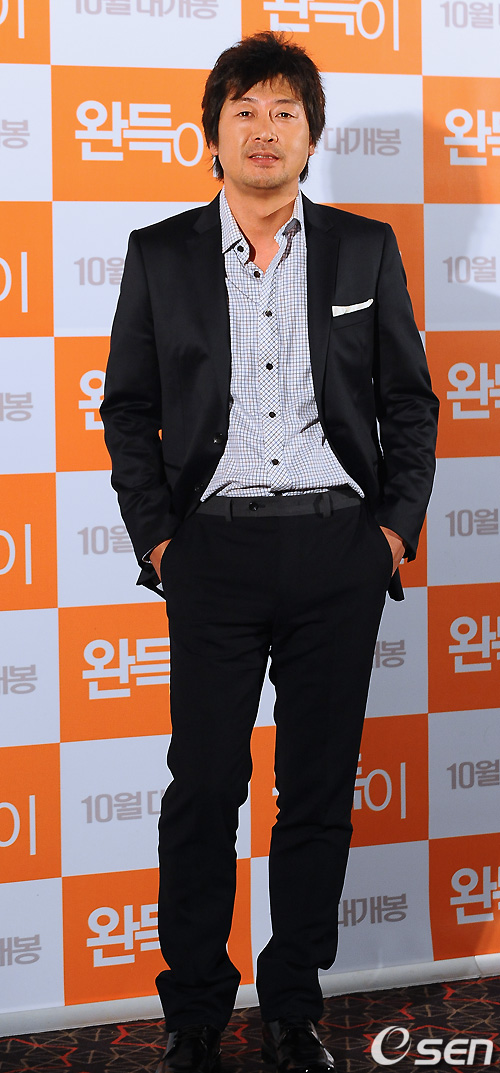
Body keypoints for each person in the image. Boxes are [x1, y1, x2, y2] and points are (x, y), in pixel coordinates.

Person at [101, 30, 438, 1073]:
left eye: (284, 111)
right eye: (244, 109)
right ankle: (196, 1008)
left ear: (309, 135)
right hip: (212, 551)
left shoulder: (362, 248)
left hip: (337, 549)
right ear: (211, 134)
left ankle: (293, 1004)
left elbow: (409, 400)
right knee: (204, 788)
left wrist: (390, 531)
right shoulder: (160, 253)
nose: (263, 128)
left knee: (317, 793)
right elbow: (128, 409)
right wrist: (161, 539)